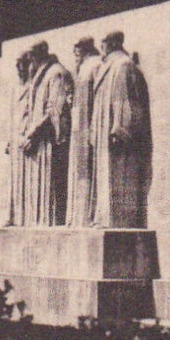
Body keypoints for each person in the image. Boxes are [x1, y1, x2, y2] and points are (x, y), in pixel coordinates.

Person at [84, 30, 152, 228]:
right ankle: (104, 217)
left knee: (117, 178)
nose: (101, 47)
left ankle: (114, 219)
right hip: (102, 131)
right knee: (105, 177)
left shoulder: (123, 65)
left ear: (112, 43)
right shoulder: (109, 66)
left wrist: (120, 128)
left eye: (103, 42)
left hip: (115, 135)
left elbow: (126, 99)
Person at [20, 42, 73, 226]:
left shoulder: (56, 73)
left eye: (30, 59)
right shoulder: (40, 77)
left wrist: (33, 134)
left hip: (51, 143)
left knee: (51, 196)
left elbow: (54, 111)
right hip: (39, 144)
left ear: (37, 56)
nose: (29, 65)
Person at [65, 37, 101, 227]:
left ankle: (86, 216)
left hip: (87, 128)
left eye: (77, 53)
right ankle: (79, 216)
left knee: (87, 172)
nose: (75, 57)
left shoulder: (94, 65)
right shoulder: (83, 69)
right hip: (79, 128)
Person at [6, 51, 34, 225]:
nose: (20, 70)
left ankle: (24, 217)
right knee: (13, 180)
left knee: (25, 180)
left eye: (22, 66)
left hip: (26, 137)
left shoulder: (33, 86)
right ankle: (12, 215)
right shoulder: (15, 88)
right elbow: (11, 115)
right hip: (15, 138)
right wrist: (9, 139)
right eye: (18, 67)